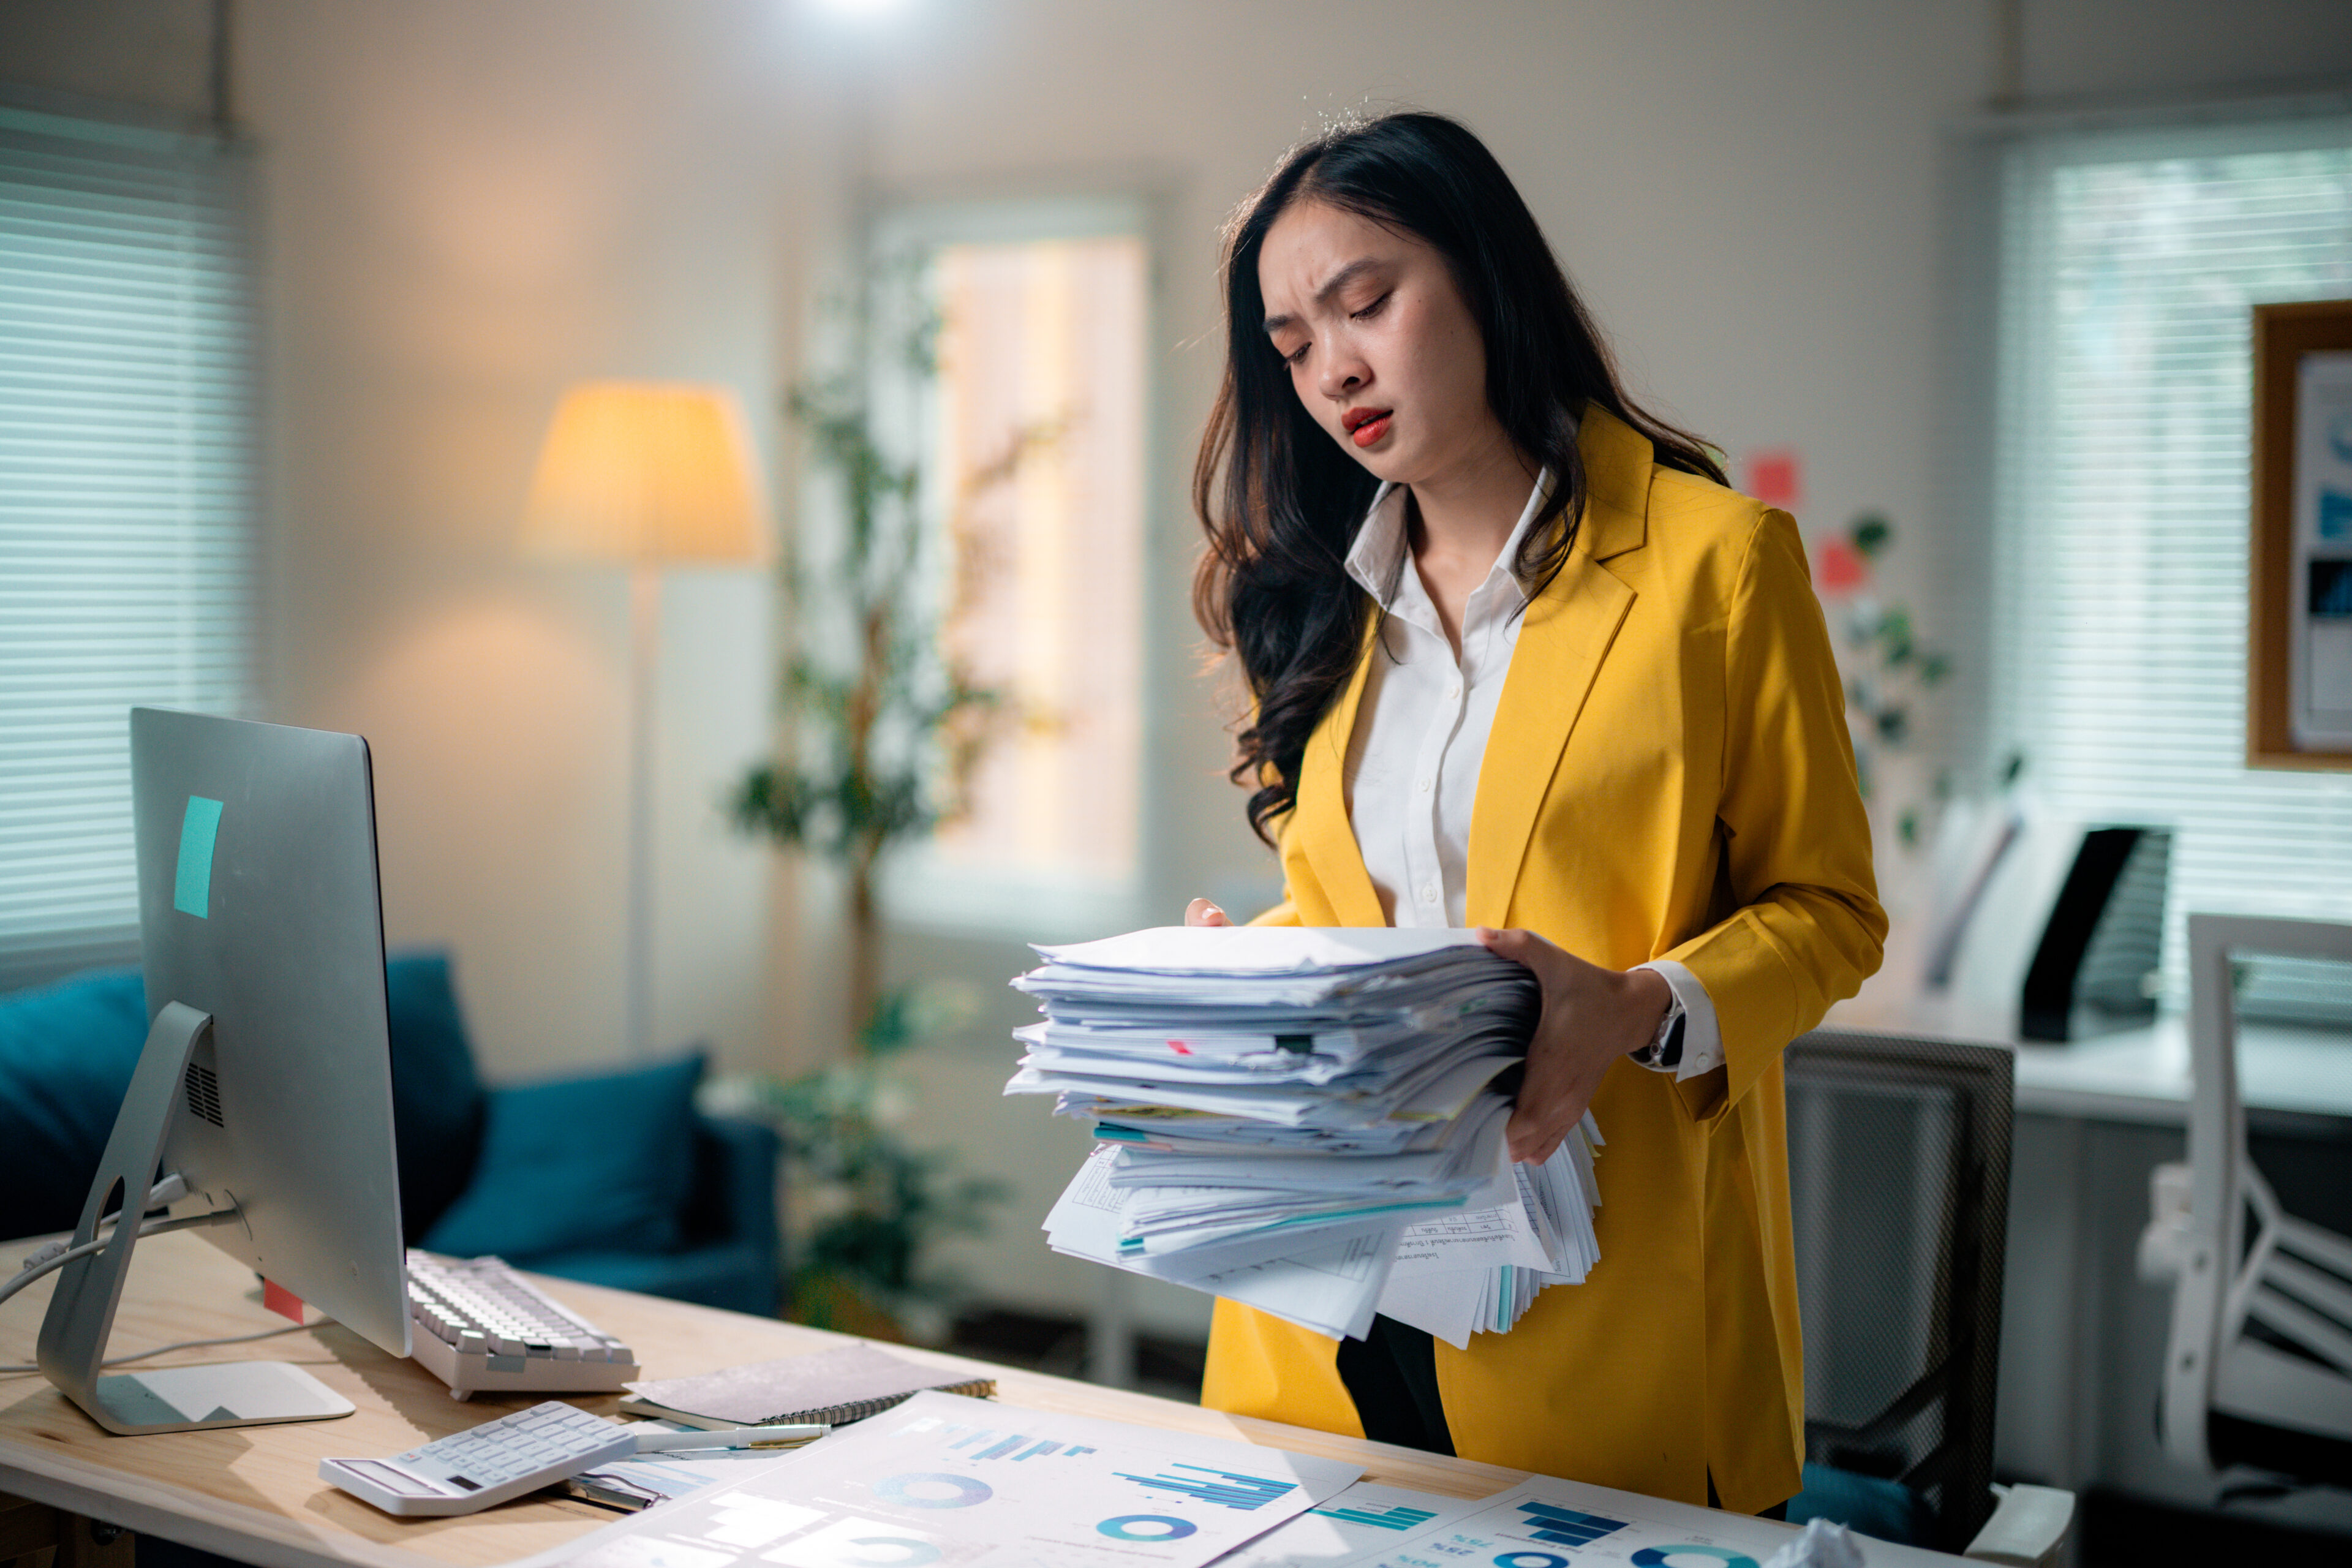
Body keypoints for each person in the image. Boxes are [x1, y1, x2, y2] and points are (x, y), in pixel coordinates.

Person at [1183, 111, 1884, 1518]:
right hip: (1317, 1298)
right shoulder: (1318, 596)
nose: (1335, 369)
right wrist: (1247, 971)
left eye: (1365, 301)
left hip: (1597, 1303)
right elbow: (1374, 907)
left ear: (1486, 276)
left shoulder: (1715, 566)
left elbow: (1830, 913)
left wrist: (1635, 1001)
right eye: (1293, 342)